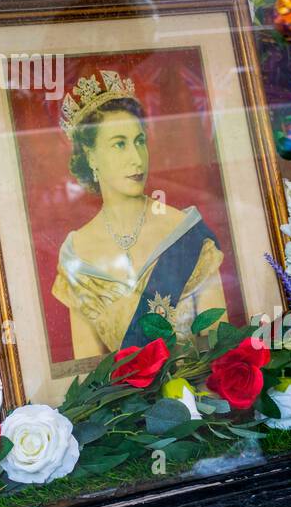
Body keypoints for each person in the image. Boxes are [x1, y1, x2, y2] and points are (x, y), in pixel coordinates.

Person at [53, 70, 230, 360]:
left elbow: (218, 351)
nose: (136, 158)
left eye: (139, 141)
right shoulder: (77, 254)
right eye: (119, 144)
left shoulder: (186, 233)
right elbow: (89, 377)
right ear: (91, 156)